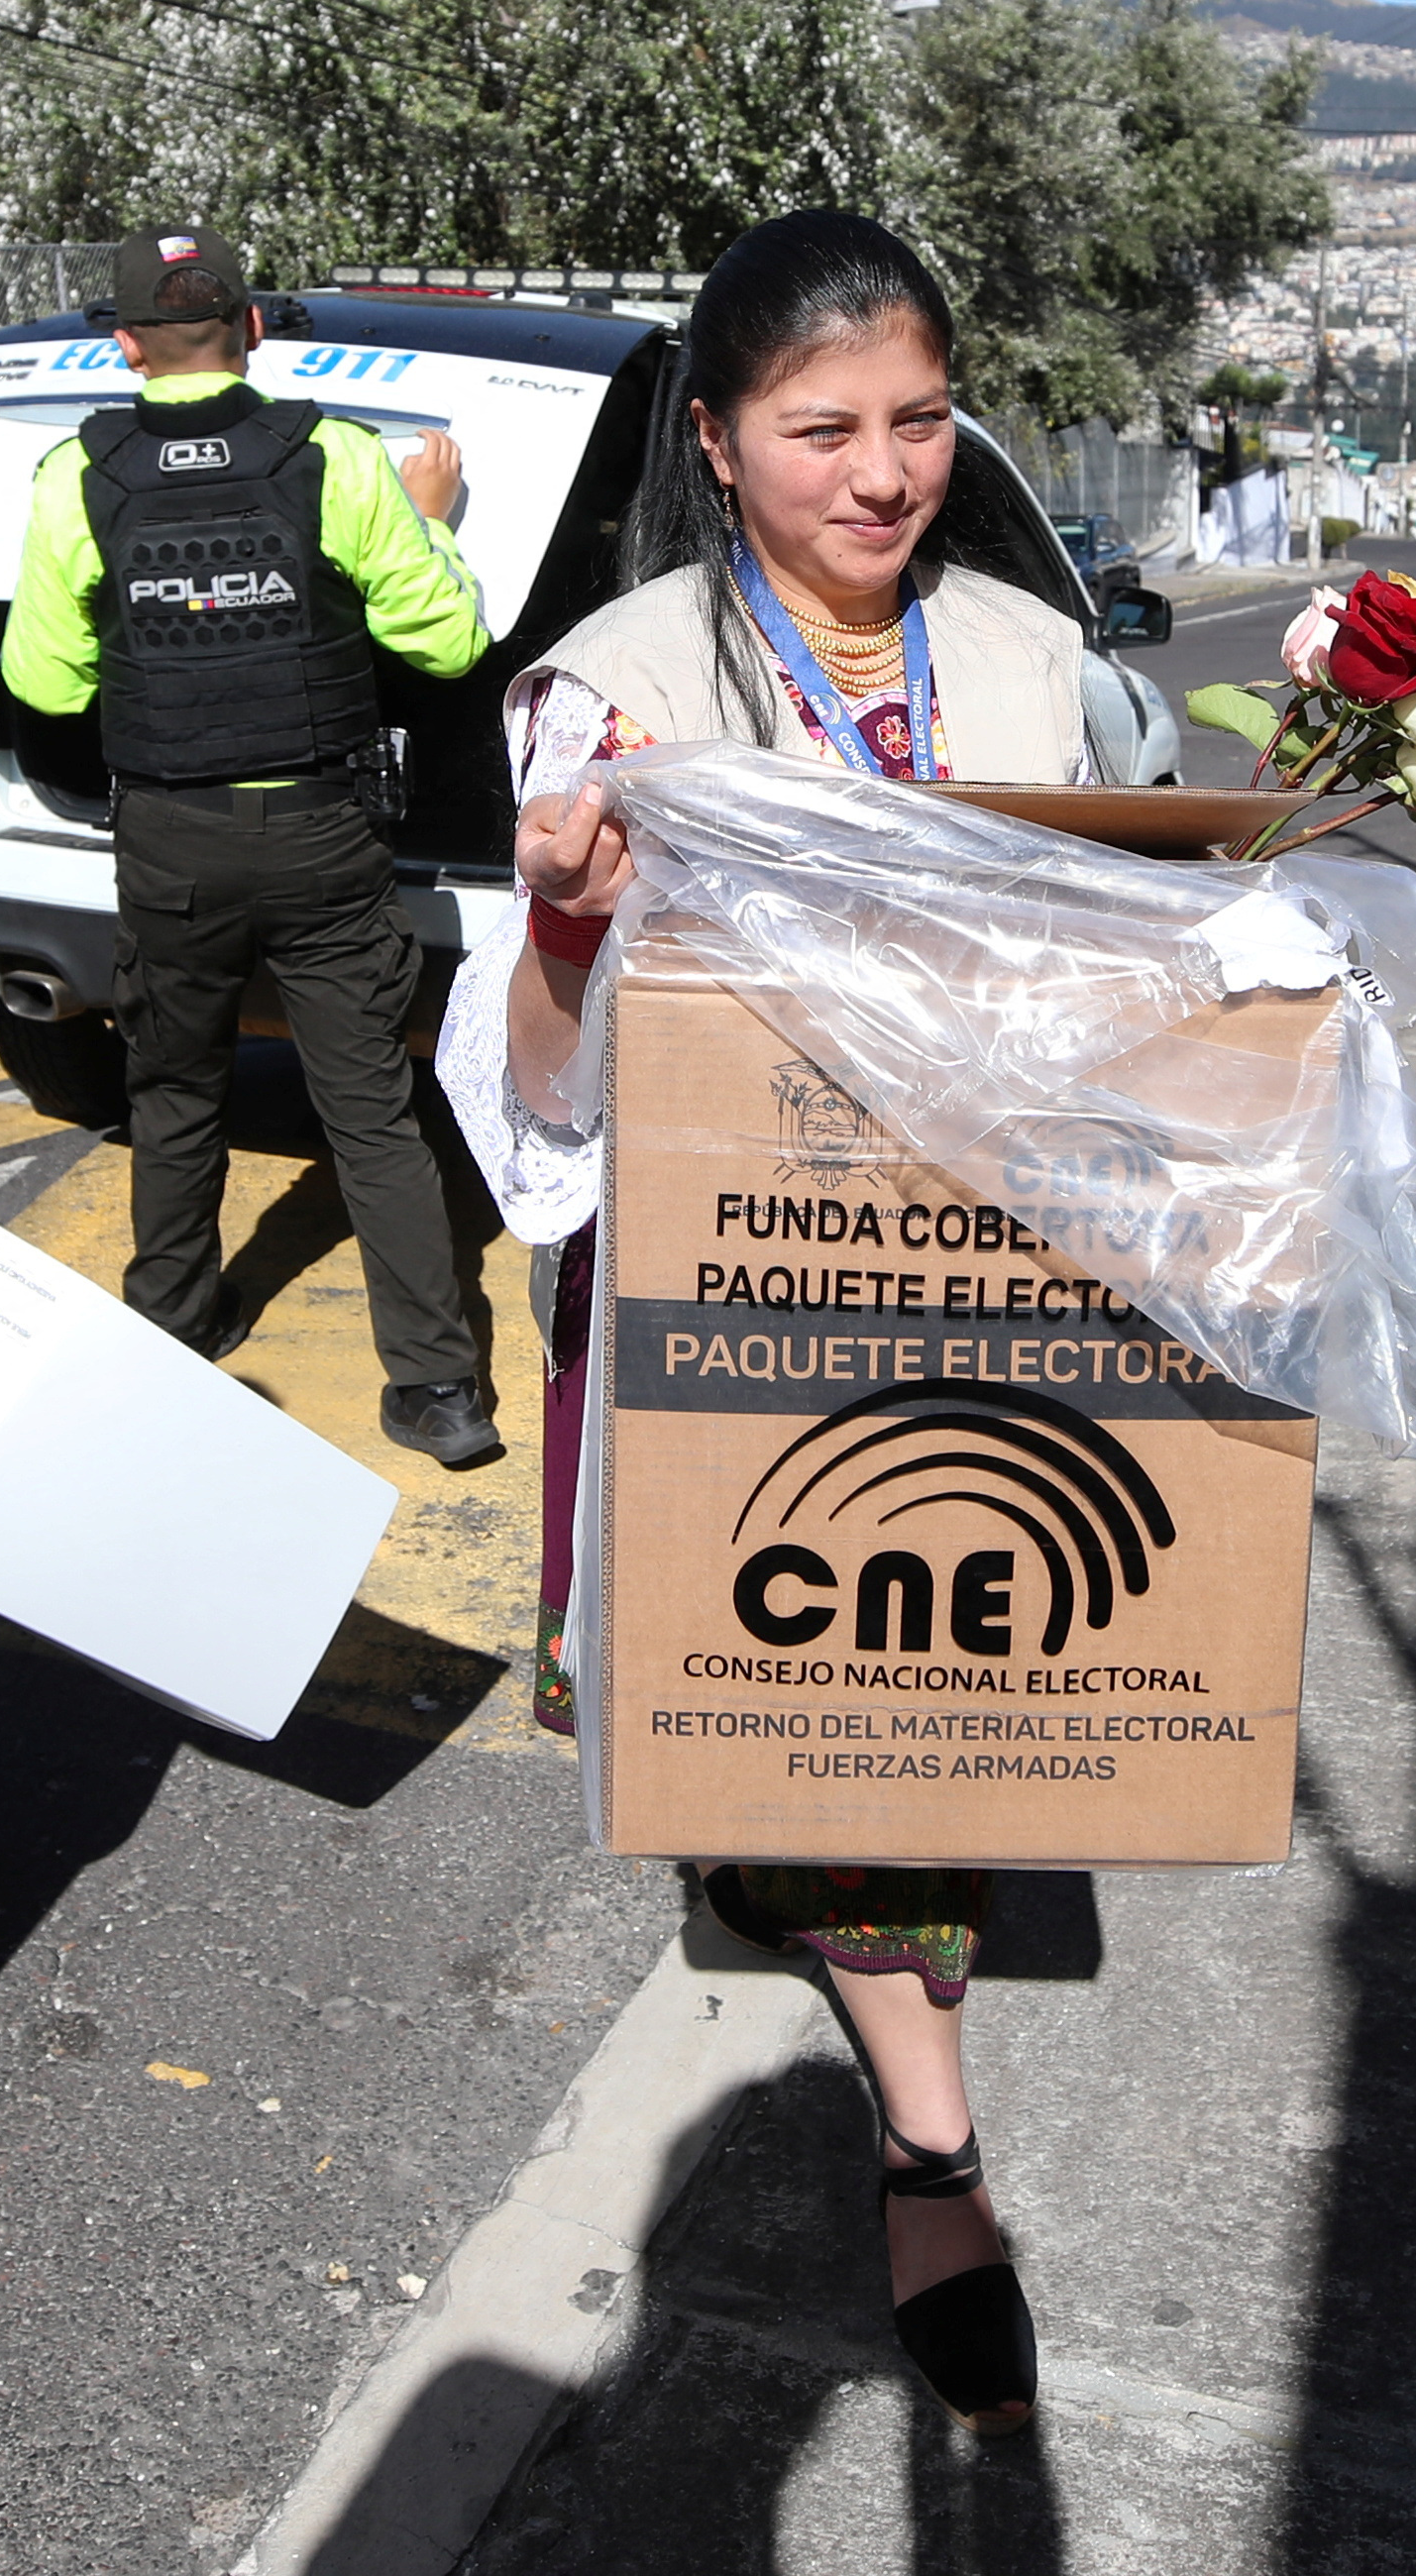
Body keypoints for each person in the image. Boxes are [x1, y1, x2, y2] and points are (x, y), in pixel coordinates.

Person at [433, 208, 1084, 2429]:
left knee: (942, 1637)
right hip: (739, 1288)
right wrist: (553, 933)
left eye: (915, 421)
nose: (880, 474)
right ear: (714, 442)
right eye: (819, 429)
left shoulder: (1018, 650)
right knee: (836, 1692)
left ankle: (879, 2019)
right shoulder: (608, 689)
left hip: (978, 1264)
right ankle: (930, 2140)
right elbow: (539, 1097)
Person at [1, 223, 501, 1467]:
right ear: (253, 330)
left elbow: (44, 685)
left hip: (171, 839)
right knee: (372, 1110)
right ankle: (439, 1391)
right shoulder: (334, 455)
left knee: (172, 1092)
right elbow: (447, 644)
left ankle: (173, 1326)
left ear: (122, 345)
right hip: (326, 836)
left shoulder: (78, 474)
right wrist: (434, 520)